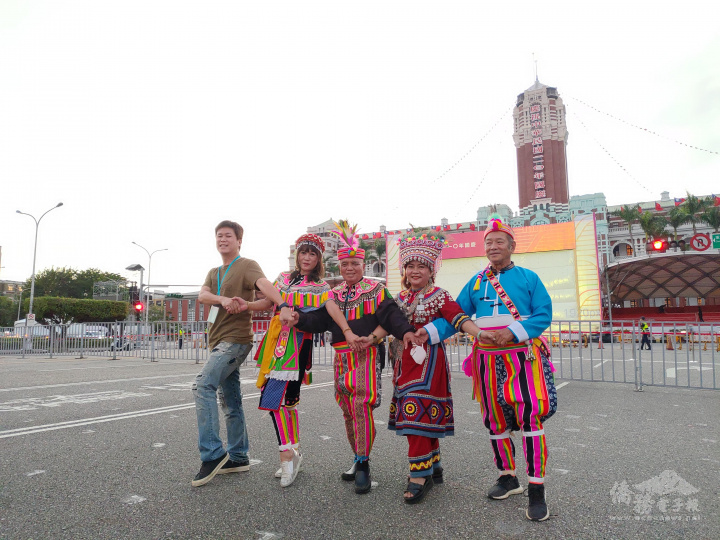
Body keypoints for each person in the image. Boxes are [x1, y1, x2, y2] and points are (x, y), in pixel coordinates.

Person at [417, 217, 557, 521]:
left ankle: (536, 489)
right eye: (488, 242)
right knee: (494, 420)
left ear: (511, 246)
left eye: (499, 241)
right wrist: (425, 332)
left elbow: (543, 315)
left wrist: (513, 331)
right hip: (486, 359)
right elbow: (455, 316)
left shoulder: (528, 277)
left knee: (530, 417)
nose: (493, 247)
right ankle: (508, 477)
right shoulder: (477, 281)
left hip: (522, 356)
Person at [290, 220, 418, 494]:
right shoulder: (332, 294)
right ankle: (357, 456)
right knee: (347, 410)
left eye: (355, 264)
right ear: (339, 266)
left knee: (361, 407)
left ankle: (363, 463)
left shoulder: (375, 290)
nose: (349, 268)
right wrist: (299, 317)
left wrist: (391, 334)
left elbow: (392, 317)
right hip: (341, 357)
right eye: (345, 264)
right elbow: (318, 320)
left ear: (363, 266)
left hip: (366, 355)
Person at [365, 231, 482, 504]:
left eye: (422, 266)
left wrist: (478, 333)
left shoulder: (440, 296)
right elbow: (389, 325)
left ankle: (419, 474)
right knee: (418, 411)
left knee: (417, 412)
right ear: (404, 270)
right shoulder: (400, 297)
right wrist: (369, 339)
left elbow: (457, 316)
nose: (415, 271)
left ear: (431, 271)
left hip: (430, 363)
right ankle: (434, 465)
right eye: (411, 266)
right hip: (404, 362)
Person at [241, 233, 358, 488]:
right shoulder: (283, 278)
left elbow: (331, 310)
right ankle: (293, 451)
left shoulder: (322, 287)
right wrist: (245, 306)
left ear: (319, 259)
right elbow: (266, 300)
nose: (307, 257)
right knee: (287, 403)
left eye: (312, 253)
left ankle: (287, 456)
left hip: (297, 347)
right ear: (298, 255)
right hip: (275, 344)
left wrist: (347, 331)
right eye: (304, 252)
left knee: (275, 400)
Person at [192, 220, 291, 488]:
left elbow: (265, 289)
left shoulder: (246, 264)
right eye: (219, 236)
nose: (223, 240)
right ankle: (238, 456)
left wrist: (280, 303)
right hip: (217, 340)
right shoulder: (215, 272)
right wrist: (223, 300)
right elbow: (203, 295)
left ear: (239, 241)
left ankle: (212, 455)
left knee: (202, 385)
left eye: (228, 236)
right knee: (231, 401)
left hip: (234, 341)